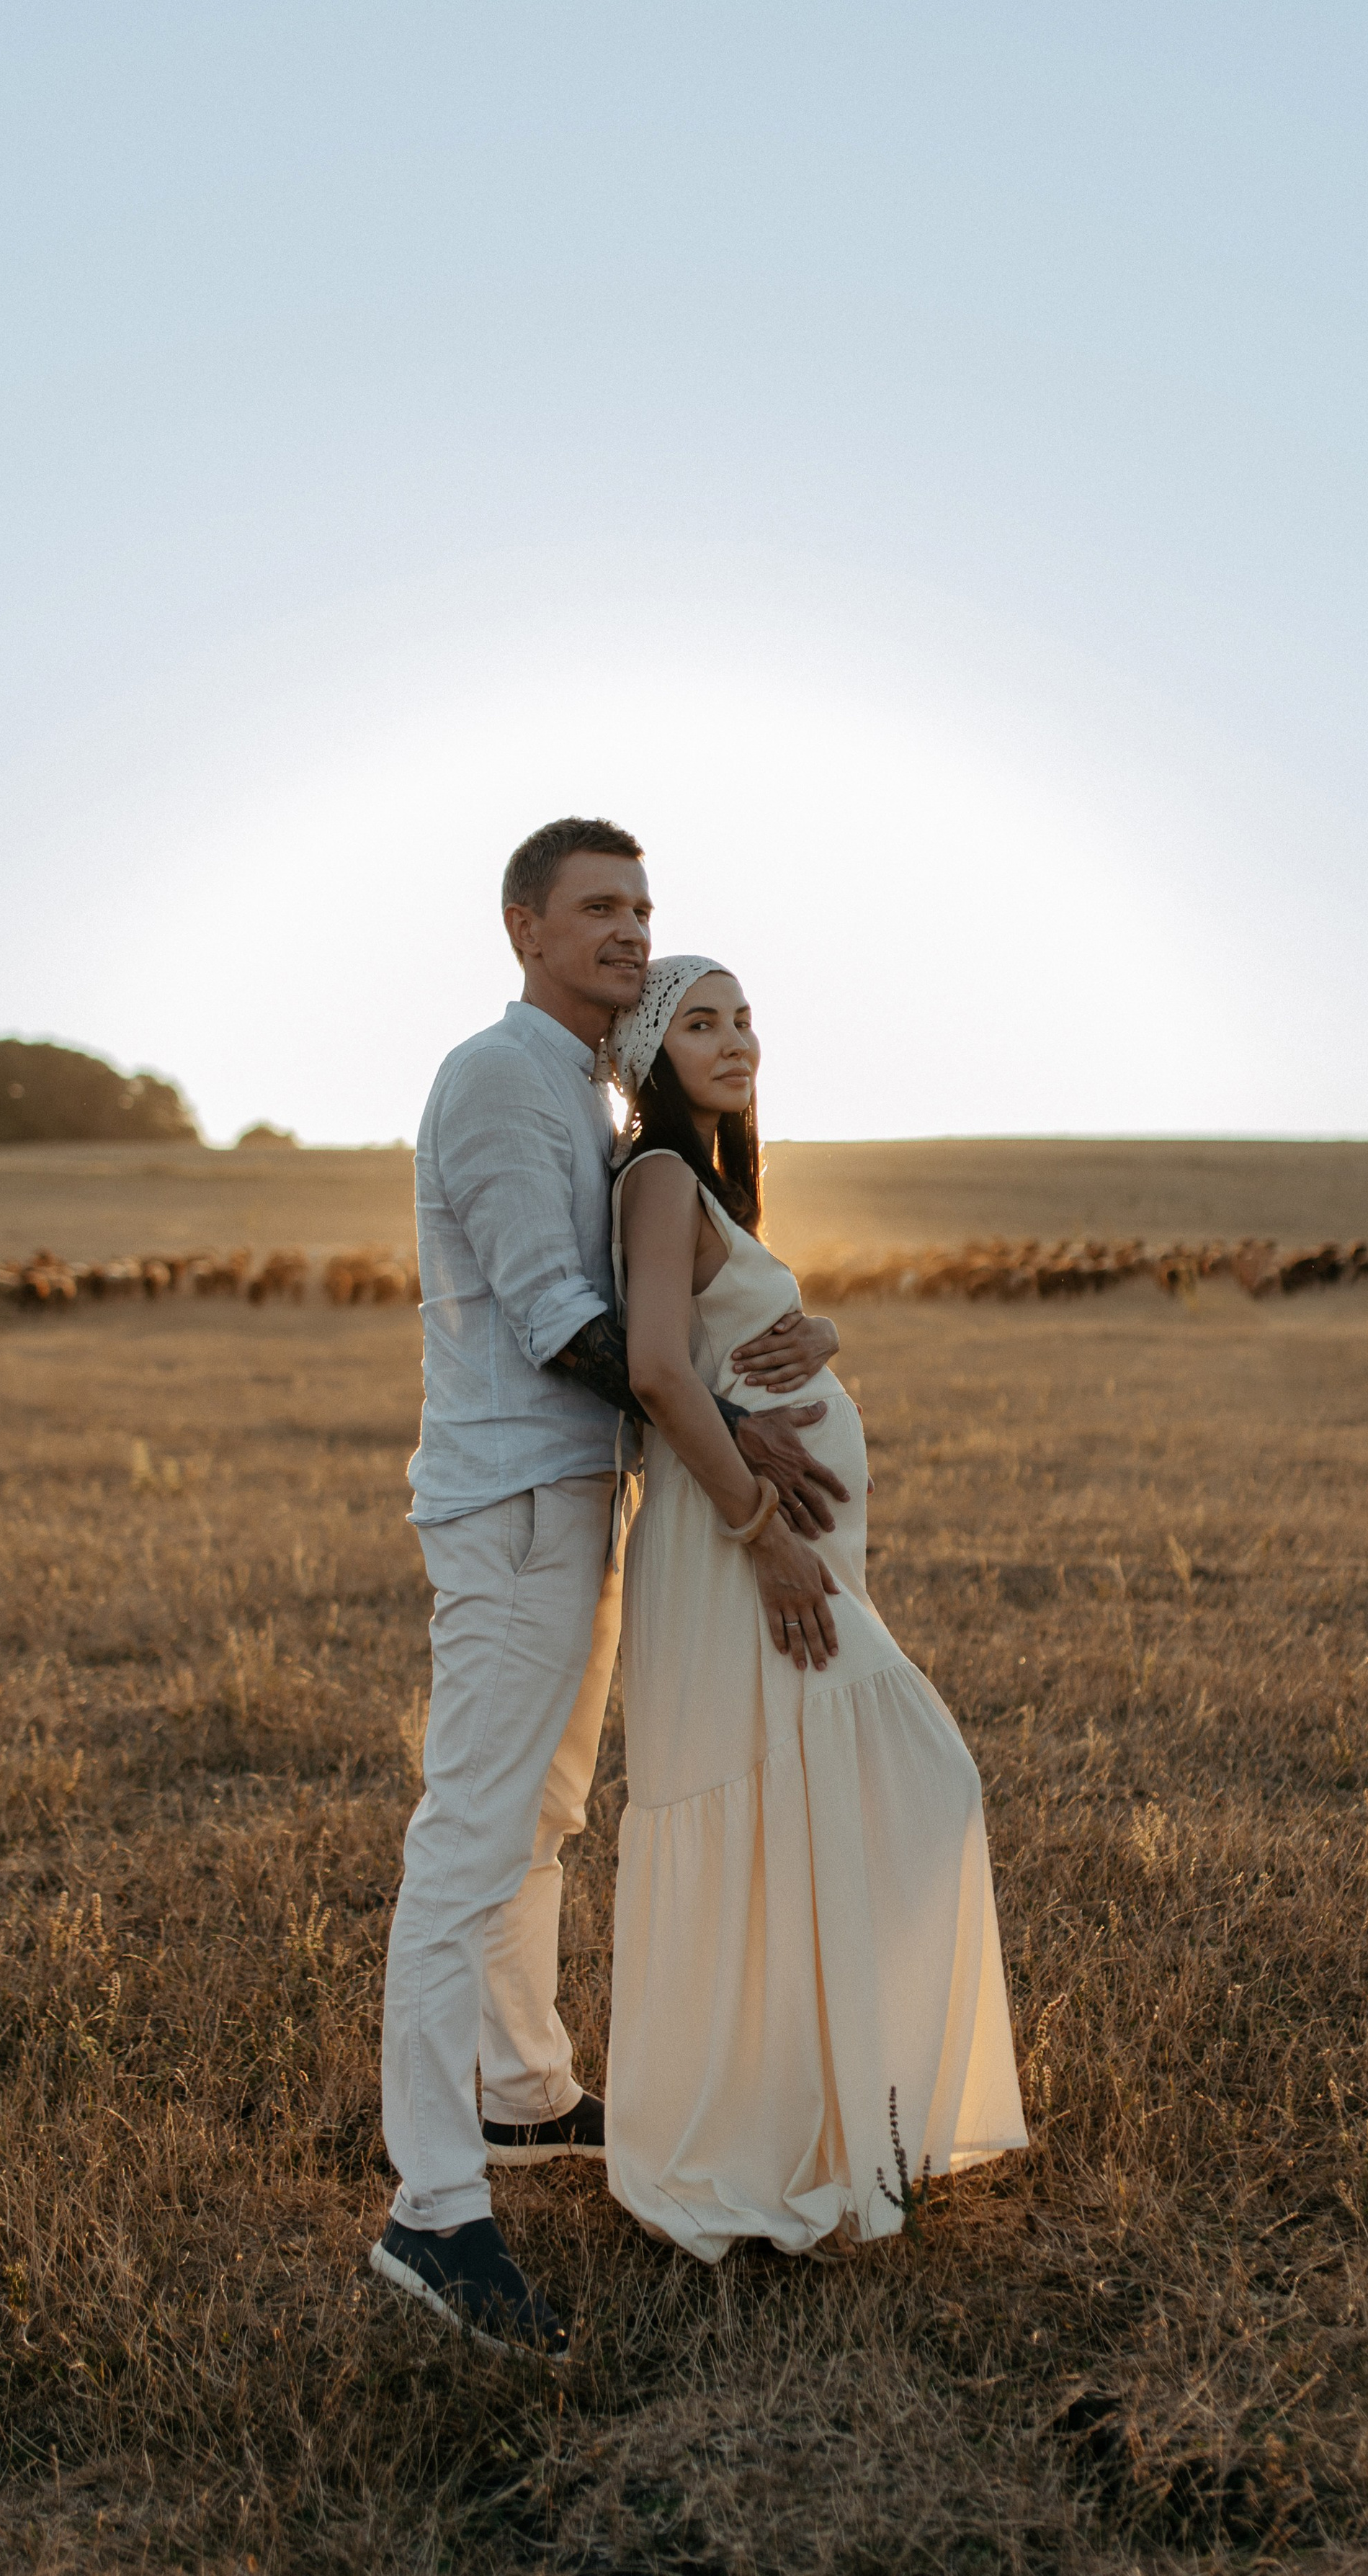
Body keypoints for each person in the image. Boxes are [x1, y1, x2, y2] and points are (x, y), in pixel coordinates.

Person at [371, 820, 851, 2359]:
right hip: (515, 1500)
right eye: (596, 908)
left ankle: (524, 2099)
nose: (631, 930)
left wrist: (786, 1345)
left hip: (575, 1500)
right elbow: (555, 1320)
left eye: (642, 906)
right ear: (524, 927)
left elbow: (672, 1299)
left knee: (542, 1821)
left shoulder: (588, 1094)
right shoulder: (498, 1078)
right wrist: (733, 1439)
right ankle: (432, 2210)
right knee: (470, 1836)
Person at [604, 958, 1027, 2258]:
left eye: (743, 1020)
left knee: (816, 1810)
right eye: (700, 1024)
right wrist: (764, 1538)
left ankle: (824, 2125)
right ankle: (757, 2140)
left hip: (775, 1546)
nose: (735, 1041)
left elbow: (725, 1338)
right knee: (922, 1780)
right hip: (739, 1551)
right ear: (650, 1056)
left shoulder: (709, 1185)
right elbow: (658, 1369)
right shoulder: (658, 1174)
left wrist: (818, 1327)